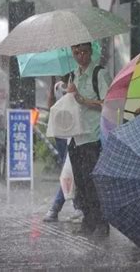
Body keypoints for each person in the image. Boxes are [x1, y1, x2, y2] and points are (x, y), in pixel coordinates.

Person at [67, 42, 110, 235]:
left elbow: (107, 104)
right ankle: (88, 219)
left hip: (93, 137)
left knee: (94, 182)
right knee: (81, 182)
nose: (80, 56)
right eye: (76, 52)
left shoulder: (99, 73)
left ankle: (101, 222)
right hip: (76, 137)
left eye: (84, 52)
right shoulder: (73, 75)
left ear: (91, 51)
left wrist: (83, 100)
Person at [43, 74, 82, 223]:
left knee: (68, 172)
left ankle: (55, 208)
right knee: (68, 171)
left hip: (72, 135)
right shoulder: (58, 87)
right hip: (60, 135)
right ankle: (77, 206)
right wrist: (52, 85)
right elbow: (50, 107)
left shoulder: (77, 86)